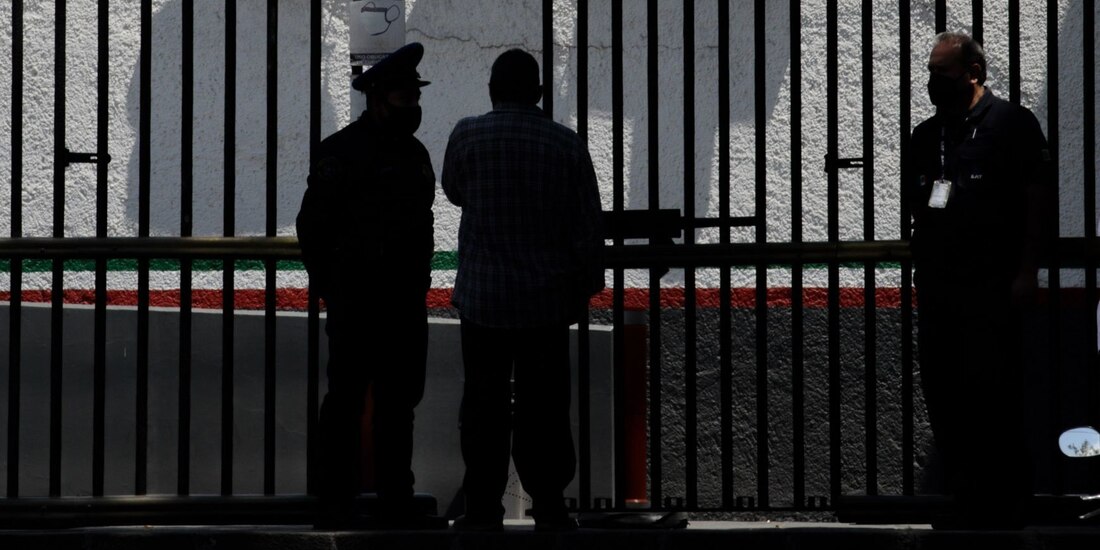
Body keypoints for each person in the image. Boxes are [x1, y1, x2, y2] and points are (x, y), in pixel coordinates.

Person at [440, 48, 605, 532]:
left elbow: (454, 190)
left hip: (483, 300)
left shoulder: (467, 135)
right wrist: (582, 288)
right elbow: (586, 228)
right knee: (545, 408)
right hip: (545, 303)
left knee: (484, 406)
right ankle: (550, 505)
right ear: (537, 93)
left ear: (492, 90)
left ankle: (483, 507)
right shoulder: (566, 144)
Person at [904, 31, 1053, 528]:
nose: (932, 81)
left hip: (992, 288)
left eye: (941, 72)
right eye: (929, 71)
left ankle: (1007, 506)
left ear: (974, 72)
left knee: (994, 393)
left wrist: (1027, 270)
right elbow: (918, 207)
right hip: (941, 289)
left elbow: (1036, 200)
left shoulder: (1011, 124)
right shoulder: (926, 137)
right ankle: (961, 499)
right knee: (944, 393)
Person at [295, 42, 446, 530]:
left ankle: (394, 501)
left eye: (414, 97)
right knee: (346, 403)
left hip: (402, 301)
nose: (413, 106)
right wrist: (333, 287)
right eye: (405, 97)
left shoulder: (414, 153)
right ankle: (335, 502)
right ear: (377, 98)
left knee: (398, 405)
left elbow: (421, 225)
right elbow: (312, 227)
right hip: (357, 300)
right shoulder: (341, 152)